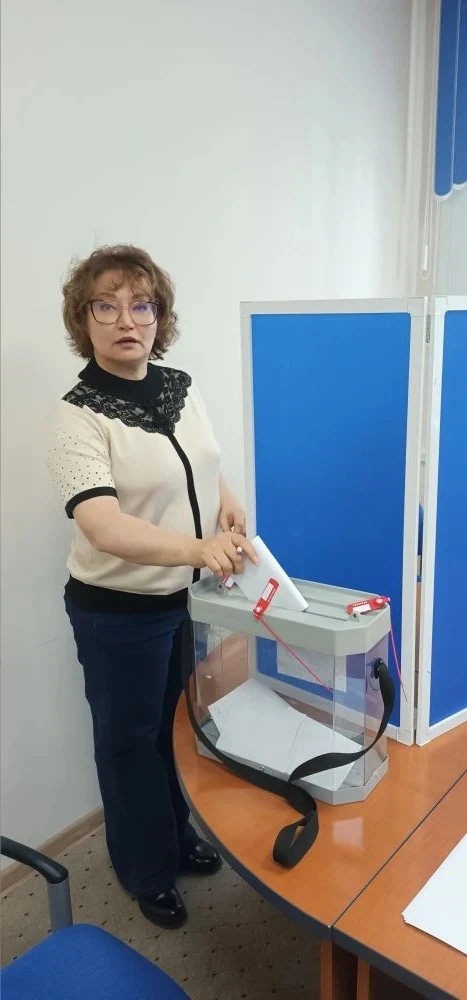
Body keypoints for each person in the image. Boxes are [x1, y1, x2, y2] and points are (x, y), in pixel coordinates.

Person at [47, 244, 258, 930]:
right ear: (83, 320)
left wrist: (227, 502)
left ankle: (177, 834)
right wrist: (199, 548)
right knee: (128, 743)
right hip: (117, 613)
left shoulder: (179, 386)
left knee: (176, 728)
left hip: (185, 600)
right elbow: (102, 524)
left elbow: (201, 463)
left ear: (160, 316)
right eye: (105, 306)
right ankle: (145, 869)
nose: (125, 320)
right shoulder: (77, 415)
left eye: (141, 305)